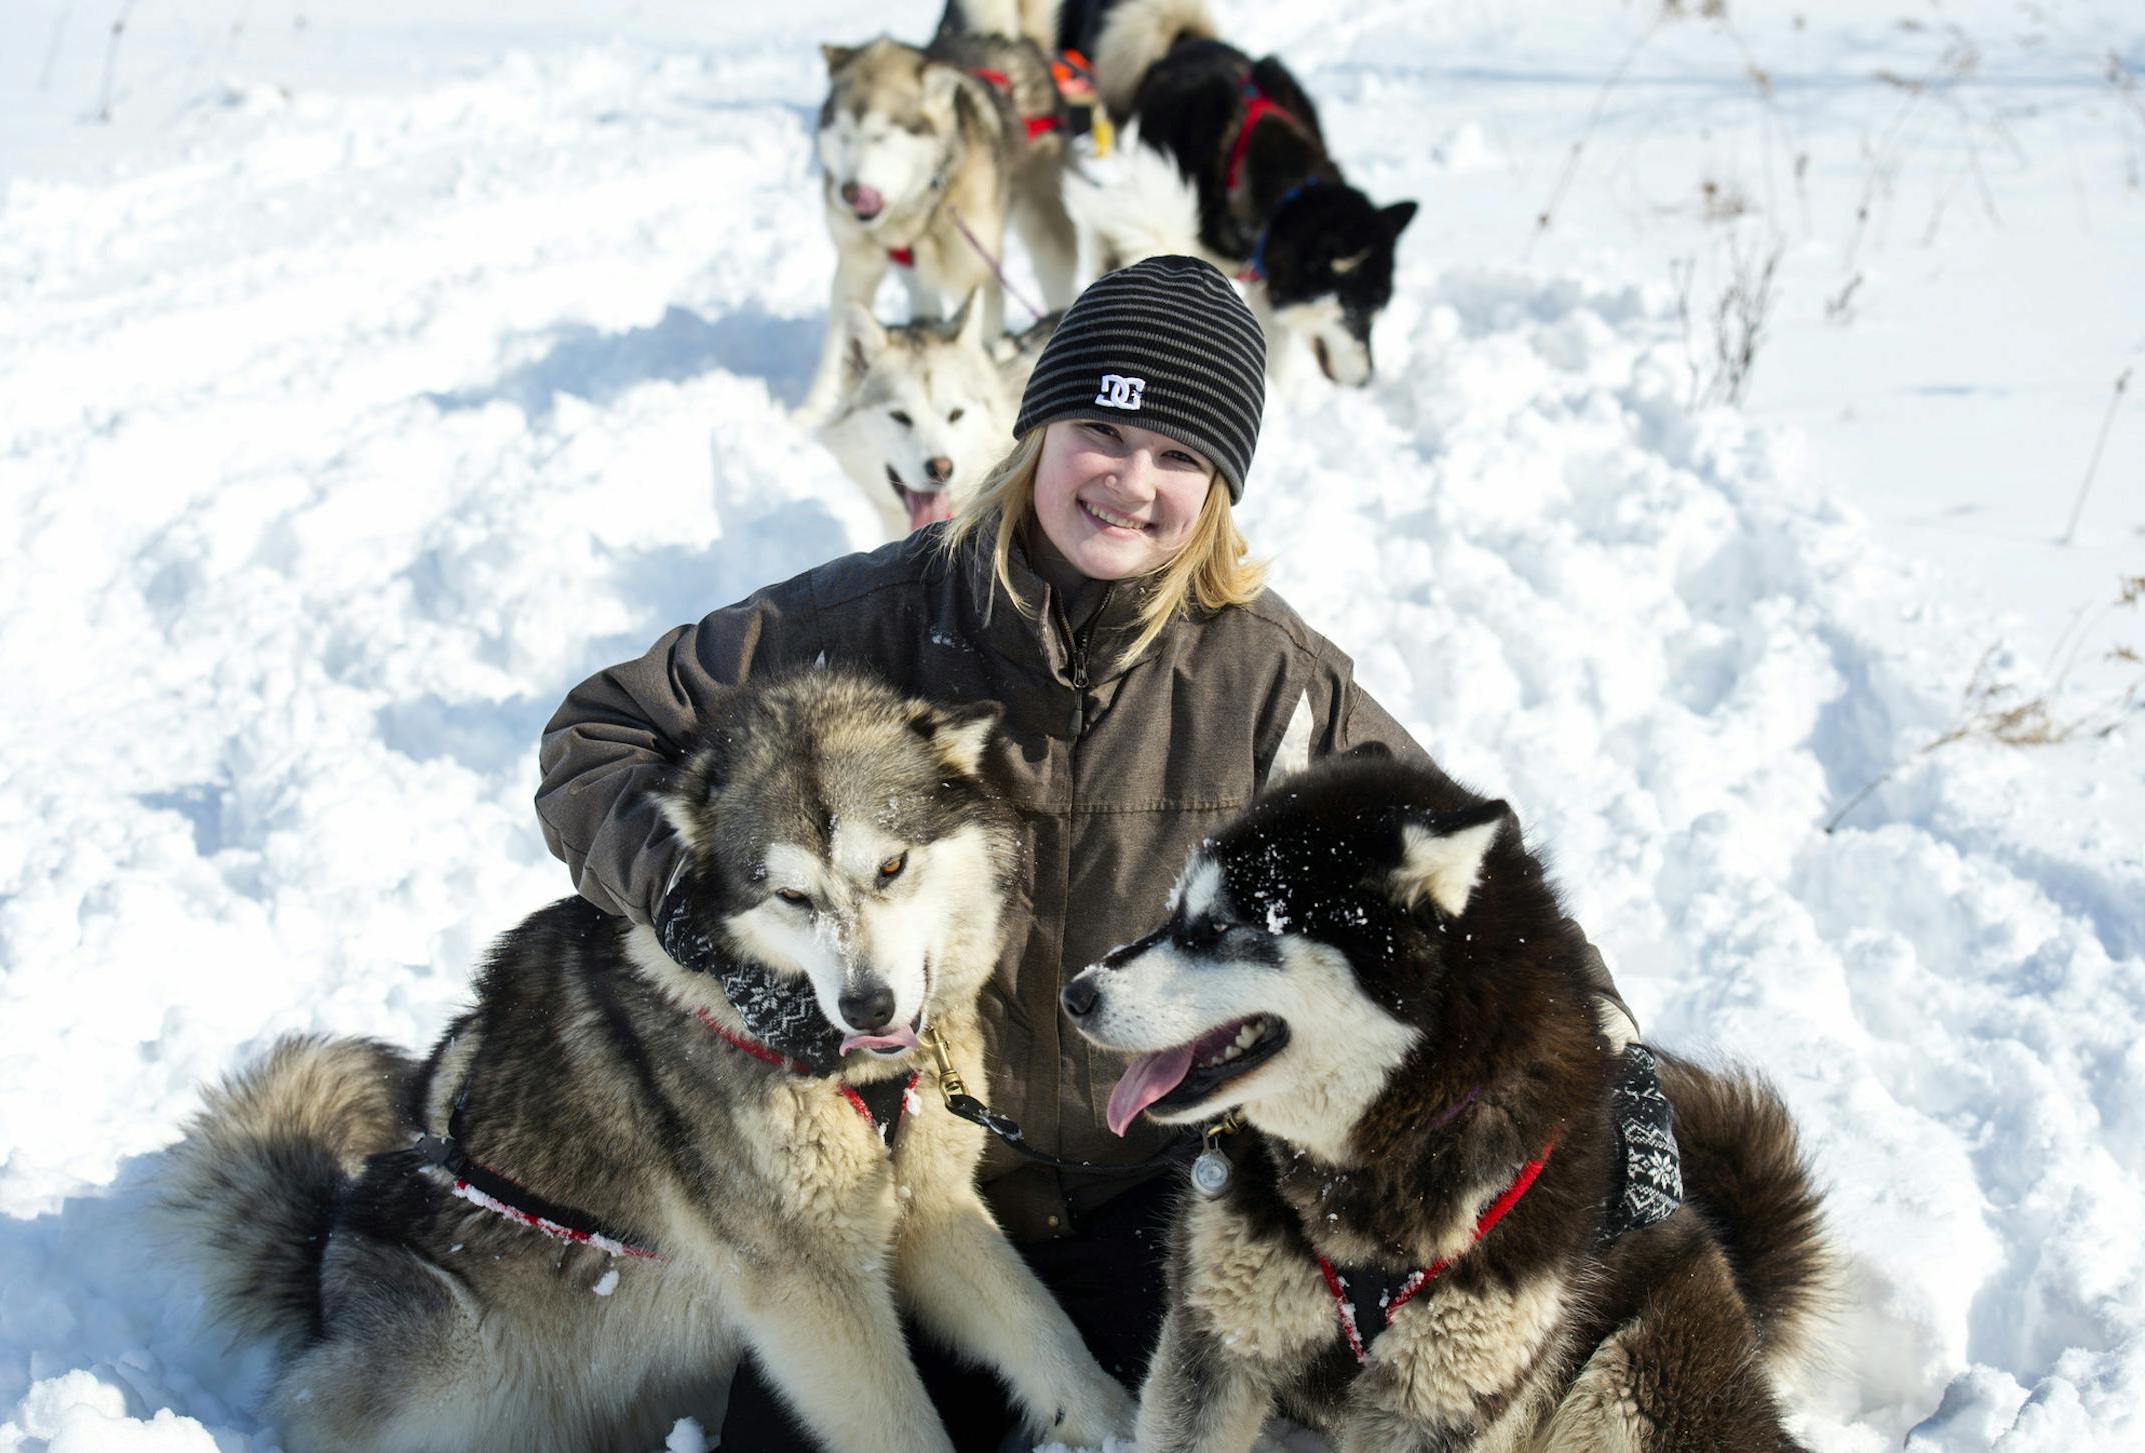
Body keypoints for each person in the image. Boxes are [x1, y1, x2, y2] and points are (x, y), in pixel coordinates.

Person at [535, 256, 1653, 1450]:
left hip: (1164, 1201)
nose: (1130, 481)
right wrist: (700, 917)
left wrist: (1623, 1078)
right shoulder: (862, 626)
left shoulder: (1268, 679)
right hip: (915, 1201)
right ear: (1034, 433)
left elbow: (1475, 896)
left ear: (1220, 486)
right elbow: (595, 738)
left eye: (1179, 455)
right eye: (1102, 431)